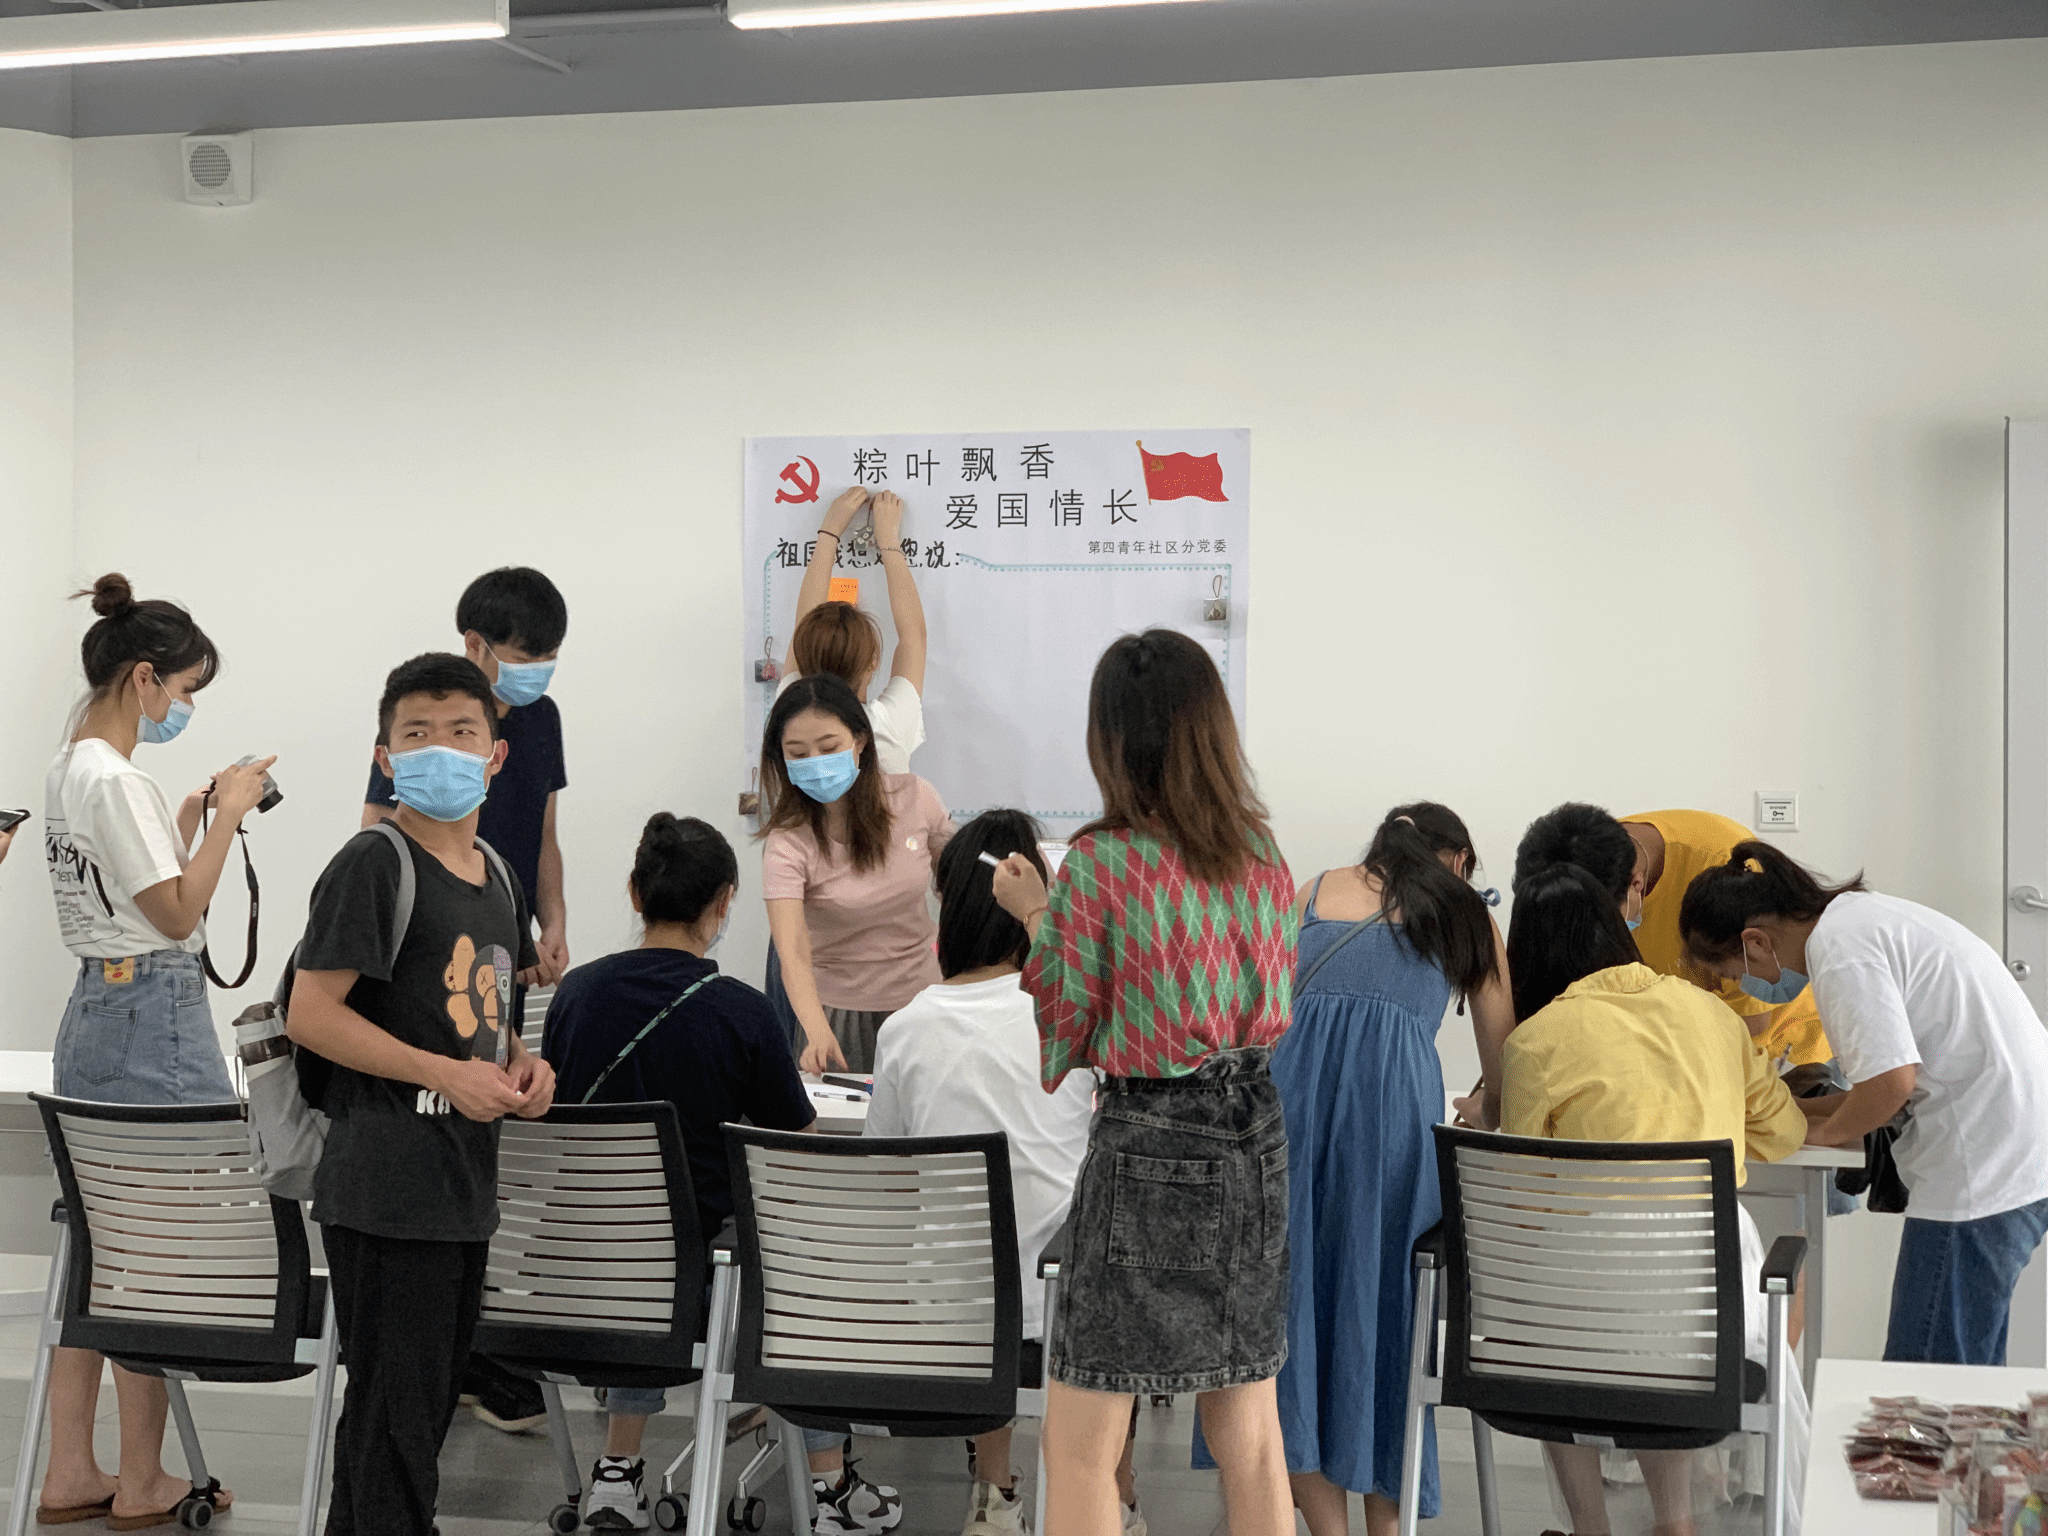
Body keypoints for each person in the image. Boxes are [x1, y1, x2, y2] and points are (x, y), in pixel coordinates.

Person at [994, 628, 1297, 1536]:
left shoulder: (1101, 863)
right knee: (1251, 1433)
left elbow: (1071, 1016)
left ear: (1113, 741)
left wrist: (1036, 914)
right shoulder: (1262, 853)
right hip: (1255, 1132)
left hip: (1151, 1143)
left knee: (1082, 1442)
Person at [288, 653, 558, 1536]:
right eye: (417, 734)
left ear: (495, 755)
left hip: (461, 1186)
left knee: (412, 1419)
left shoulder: (499, 875)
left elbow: (486, 1017)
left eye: (461, 731)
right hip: (386, 1186)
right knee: (395, 1424)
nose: (440, 747)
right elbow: (311, 1015)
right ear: (386, 756)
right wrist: (443, 1075)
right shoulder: (374, 862)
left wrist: (525, 1066)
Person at [34, 573, 273, 1529]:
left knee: (101, 1243)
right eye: (183, 690)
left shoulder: (69, 767)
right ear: (143, 678)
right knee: (155, 1250)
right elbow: (175, 915)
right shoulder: (117, 778)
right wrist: (232, 816)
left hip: (96, 1007)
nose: (183, 708)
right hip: (155, 1014)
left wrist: (182, 826)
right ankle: (141, 1479)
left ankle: (70, 1470)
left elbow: (133, 894)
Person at [1501, 861, 1809, 1536]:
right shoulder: (1714, 1016)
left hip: (1565, 1342)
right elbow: (1785, 1131)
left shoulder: (1535, 1041)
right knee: (1667, 1322)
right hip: (1700, 1332)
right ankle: (1676, 1520)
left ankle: (1591, 1527)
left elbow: (1524, 1198)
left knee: (1561, 1296)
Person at [1230, 804, 1512, 1536]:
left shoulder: (1312, 893)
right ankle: (1387, 1527)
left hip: (1290, 1122)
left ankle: (1327, 1530)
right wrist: (1482, 1110)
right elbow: (1503, 1062)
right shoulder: (1467, 916)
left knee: (1294, 1318)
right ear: (1457, 860)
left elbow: (1257, 1014)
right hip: (1393, 1131)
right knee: (1389, 1316)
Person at [541, 812, 818, 1531]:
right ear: (724, 902)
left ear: (636, 894)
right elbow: (799, 1150)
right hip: (694, 1295)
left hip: (573, 1280)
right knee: (780, 1253)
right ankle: (832, 1486)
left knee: (649, 1227)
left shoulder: (574, 996)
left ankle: (617, 1469)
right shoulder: (743, 1014)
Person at [1680, 842, 2048, 1365]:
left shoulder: (1840, 949)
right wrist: (1792, 1112)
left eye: (1738, 975)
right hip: (2014, 1143)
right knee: (1968, 1374)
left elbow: (1890, 1086)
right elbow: (1879, 1087)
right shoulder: (1858, 919)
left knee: (1928, 1374)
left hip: (1982, 1164)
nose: (1750, 988)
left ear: (1756, 942)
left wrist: (1816, 1132)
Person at [866, 810, 1117, 1536]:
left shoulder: (904, 1028)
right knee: (1093, 1249)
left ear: (948, 910)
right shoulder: (1066, 1017)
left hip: (943, 1319)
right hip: (1059, 1316)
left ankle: (993, 1493)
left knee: (978, 1252)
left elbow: (887, 1177)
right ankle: (1120, 1497)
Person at [361, 566, 570, 1432]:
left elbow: (545, 832)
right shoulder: (422, 720)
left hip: (502, 938)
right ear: (476, 643)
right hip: (437, 955)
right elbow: (378, 835)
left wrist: (550, 924)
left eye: (549, 656)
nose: (535, 672)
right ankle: (451, 1366)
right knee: (436, 1147)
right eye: (522, 655)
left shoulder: (540, 720)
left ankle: (469, 1353)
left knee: (491, 1149)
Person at [1514, 804, 1829, 1066]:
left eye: (1598, 925)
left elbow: (1751, 1024)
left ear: (1635, 885)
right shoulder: (1576, 861)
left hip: (1784, 1056)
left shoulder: (1721, 866)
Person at [759, 674, 952, 1074]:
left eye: (829, 747)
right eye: (797, 753)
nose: (815, 762)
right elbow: (792, 949)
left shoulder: (916, 798)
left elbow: (960, 886)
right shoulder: (787, 841)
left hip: (924, 1005)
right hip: (836, 1017)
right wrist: (816, 1030)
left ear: (860, 741)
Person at [778, 487, 928, 774]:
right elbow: (914, 638)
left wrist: (829, 532)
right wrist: (889, 541)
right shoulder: (887, 726)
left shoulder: (791, 718)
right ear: (873, 661)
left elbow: (804, 626)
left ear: (803, 654)